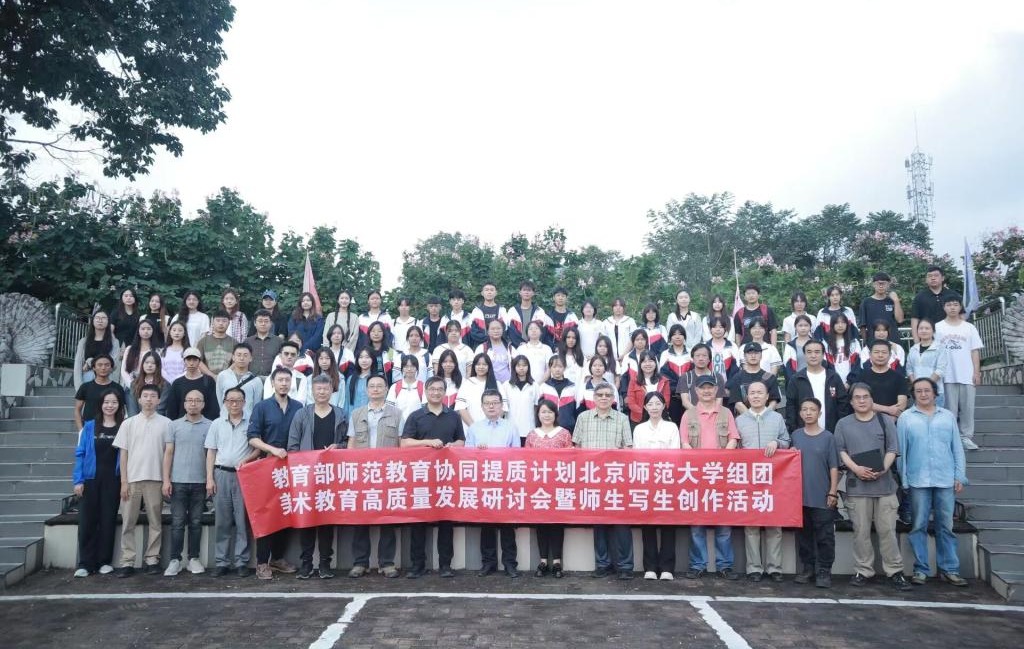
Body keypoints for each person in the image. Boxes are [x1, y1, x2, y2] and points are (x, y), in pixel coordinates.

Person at [835, 383, 912, 591]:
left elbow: (893, 448)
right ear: (851, 402)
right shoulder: (843, 424)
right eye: (857, 397)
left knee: (887, 531)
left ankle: (894, 571)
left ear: (872, 400)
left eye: (865, 397)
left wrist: (883, 469)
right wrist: (856, 469)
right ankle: (863, 570)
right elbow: (841, 451)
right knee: (860, 532)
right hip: (857, 487)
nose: (861, 401)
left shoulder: (885, 420)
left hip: (884, 486)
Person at [899, 378, 970, 587]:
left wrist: (960, 475)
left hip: (945, 479)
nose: (923, 394)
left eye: (927, 390)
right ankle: (921, 569)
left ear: (935, 393)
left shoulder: (947, 416)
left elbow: (957, 448)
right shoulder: (906, 418)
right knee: (918, 525)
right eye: (918, 391)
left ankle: (949, 569)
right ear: (913, 394)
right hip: (918, 479)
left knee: (946, 526)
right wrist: (904, 479)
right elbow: (901, 452)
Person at [401, 376, 466, 578]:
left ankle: (445, 565)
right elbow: (405, 443)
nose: (436, 392)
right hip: (421, 476)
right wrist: (428, 442)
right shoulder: (416, 416)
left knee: (446, 521)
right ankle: (417, 565)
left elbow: (461, 441)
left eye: (440, 389)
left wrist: (453, 446)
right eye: (432, 389)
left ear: (445, 392)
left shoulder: (453, 416)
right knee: (418, 522)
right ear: (426, 392)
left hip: (446, 476)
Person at [287, 374, 348, 579]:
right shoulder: (302, 414)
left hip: (331, 476)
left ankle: (324, 564)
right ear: (312, 391)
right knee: (307, 519)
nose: (322, 392)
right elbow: (292, 445)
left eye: (325, 389)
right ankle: (306, 564)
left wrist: (338, 447)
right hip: (307, 476)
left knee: (326, 521)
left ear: (332, 391)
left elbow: (348, 443)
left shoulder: (340, 414)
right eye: (318, 389)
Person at [572, 381, 634, 580]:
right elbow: (576, 448)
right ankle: (602, 564)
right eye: (600, 395)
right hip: (592, 480)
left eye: (608, 395)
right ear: (594, 398)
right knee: (599, 524)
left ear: (614, 399)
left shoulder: (622, 419)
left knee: (622, 524)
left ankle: (625, 566)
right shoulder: (583, 418)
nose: (604, 398)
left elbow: (628, 448)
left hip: (616, 479)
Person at [681, 375, 741, 580]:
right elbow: (685, 443)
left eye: (710, 388)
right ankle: (698, 565)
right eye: (702, 388)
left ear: (716, 390)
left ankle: (725, 565)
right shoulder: (688, 414)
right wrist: (700, 465)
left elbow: (733, 439)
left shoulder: (726, 413)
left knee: (723, 525)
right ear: (696, 391)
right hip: (697, 477)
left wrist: (720, 462)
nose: (706, 391)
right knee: (697, 525)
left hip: (721, 475)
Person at [247, 367, 304, 579]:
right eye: (280, 380)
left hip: (292, 468)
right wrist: (272, 449)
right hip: (267, 467)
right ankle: (262, 562)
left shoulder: (298, 407)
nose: (284, 384)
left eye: (287, 380)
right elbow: (252, 437)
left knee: (286, 513)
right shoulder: (262, 407)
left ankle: (278, 558)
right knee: (267, 514)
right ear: (272, 383)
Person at [347, 375, 403, 578]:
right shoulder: (356, 414)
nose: (376, 389)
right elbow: (351, 444)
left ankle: (387, 563)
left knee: (387, 518)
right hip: (362, 473)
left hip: (388, 473)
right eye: (372, 386)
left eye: (380, 386)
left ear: (387, 389)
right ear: (367, 390)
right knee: (360, 518)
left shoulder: (397, 413)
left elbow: (401, 444)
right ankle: (360, 562)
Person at [735, 381, 790, 582]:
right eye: (752, 393)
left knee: (774, 524)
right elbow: (735, 448)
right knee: (751, 525)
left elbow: (787, 441)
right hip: (748, 479)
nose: (756, 396)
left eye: (760, 392)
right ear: (747, 397)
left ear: (767, 396)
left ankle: (774, 568)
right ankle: (754, 568)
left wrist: (777, 442)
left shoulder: (777, 418)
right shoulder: (739, 420)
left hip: (774, 478)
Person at [113, 384, 170, 577]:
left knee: (156, 522)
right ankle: (127, 561)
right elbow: (123, 455)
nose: (149, 399)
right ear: (139, 399)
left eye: (153, 396)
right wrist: (123, 481)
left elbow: (169, 454)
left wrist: (166, 480)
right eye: (145, 396)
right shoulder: (128, 423)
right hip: (132, 480)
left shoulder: (166, 423)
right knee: (128, 522)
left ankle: (152, 559)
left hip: (156, 479)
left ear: (159, 400)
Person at [466, 389, 521, 577]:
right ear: (481, 407)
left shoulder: (511, 427)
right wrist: (477, 451)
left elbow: (517, 455)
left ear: (501, 406)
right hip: (484, 483)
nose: (491, 406)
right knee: (487, 525)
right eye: (487, 403)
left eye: (495, 403)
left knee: (507, 525)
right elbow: (467, 457)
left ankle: (510, 564)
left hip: (505, 482)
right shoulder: (474, 428)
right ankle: (488, 563)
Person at [205, 386, 258, 578]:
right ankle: (222, 562)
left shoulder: (251, 423)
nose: (234, 404)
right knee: (222, 520)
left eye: (238, 400)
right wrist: (209, 478)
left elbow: (258, 448)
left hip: (243, 475)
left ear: (244, 402)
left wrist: (247, 460)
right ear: (225, 402)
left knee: (243, 521)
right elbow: (211, 451)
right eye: (230, 400)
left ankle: (242, 561)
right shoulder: (217, 424)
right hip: (221, 474)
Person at [72, 389, 125, 577]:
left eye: (114, 402)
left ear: (119, 405)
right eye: (106, 402)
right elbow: (80, 453)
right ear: (101, 404)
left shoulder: (123, 427)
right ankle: (85, 563)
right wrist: (78, 480)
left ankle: (104, 561)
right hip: (90, 480)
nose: (110, 406)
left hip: (113, 480)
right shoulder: (89, 427)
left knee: (107, 520)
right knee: (87, 521)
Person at [161, 389, 212, 576]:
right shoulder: (174, 425)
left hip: (200, 482)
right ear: (184, 404)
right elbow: (168, 453)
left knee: (196, 522)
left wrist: (209, 479)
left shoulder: (210, 425)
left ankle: (193, 559)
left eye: (197, 400)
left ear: (203, 404)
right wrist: (166, 479)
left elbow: (211, 454)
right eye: (189, 400)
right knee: (177, 522)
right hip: (178, 481)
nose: (193, 403)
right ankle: (175, 560)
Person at [790, 397, 840, 588]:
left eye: (812, 409)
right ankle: (808, 568)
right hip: (799, 497)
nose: (808, 413)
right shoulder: (795, 436)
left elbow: (834, 466)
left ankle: (824, 571)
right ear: (800, 413)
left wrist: (833, 491)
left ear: (819, 413)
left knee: (825, 536)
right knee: (804, 536)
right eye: (805, 409)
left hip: (822, 495)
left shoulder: (828, 437)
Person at [632, 392, 679, 580]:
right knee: (648, 525)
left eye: (657, 403)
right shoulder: (639, 429)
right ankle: (650, 567)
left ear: (664, 406)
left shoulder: (671, 427)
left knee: (668, 524)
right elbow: (637, 455)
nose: (654, 407)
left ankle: (667, 567)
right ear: (645, 407)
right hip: (646, 481)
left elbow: (675, 454)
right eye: (650, 404)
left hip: (667, 480)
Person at [526, 399, 572, 578]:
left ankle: (557, 561)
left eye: (550, 412)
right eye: (543, 412)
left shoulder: (564, 434)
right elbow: (526, 460)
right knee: (541, 523)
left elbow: (571, 459)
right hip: (538, 486)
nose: (546, 415)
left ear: (555, 414)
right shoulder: (532, 435)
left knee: (557, 523)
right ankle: (543, 560)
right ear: (538, 414)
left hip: (559, 484)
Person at [935, 296, 984, 450]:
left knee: (968, 409)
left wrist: (976, 372)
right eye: (949, 305)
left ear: (960, 307)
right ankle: (950, 438)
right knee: (949, 410)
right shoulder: (938, 327)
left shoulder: (969, 327)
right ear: (944, 307)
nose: (952, 307)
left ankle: (966, 437)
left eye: (955, 304)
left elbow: (975, 351)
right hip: (946, 375)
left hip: (967, 374)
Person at [785, 340, 850, 434]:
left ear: (823, 355)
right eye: (809, 352)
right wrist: (794, 431)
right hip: (804, 434)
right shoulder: (796, 379)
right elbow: (791, 407)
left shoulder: (833, 377)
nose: (813, 355)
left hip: (831, 432)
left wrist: (840, 429)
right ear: (804, 355)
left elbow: (843, 404)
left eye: (817, 352)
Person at [163, 347, 219, 421]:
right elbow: (172, 409)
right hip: (182, 424)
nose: (191, 363)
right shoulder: (177, 383)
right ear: (184, 361)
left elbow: (213, 407)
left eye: (195, 360)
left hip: (204, 424)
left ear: (199, 362)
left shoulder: (208, 381)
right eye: (188, 360)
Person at [725, 344, 782, 415]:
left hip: (767, 417)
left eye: (756, 353)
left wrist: (763, 416)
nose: (753, 356)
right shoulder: (737, 378)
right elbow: (737, 404)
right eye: (749, 353)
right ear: (744, 356)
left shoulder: (770, 378)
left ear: (761, 356)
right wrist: (753, 417)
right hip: (745, 418)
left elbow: (774, 402)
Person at [74, 354, 125, 431]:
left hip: (112, 429)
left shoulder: (118, 388)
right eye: (100, 365)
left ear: (111, 368)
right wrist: (81, 429)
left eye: (107, 365)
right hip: (90, 428)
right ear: (94, 368)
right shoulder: (85, 387)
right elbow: (77, 410)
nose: (103, 368)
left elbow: (122, 410)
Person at [860, 340, 908, 420]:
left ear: (890, 355)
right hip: (867, 421)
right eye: (876, 352)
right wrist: (888, 409)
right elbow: (862, 402)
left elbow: (902, 403)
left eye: (884, 352)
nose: (880, 355)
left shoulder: (899, 377)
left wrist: (892, 419)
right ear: (870, 355)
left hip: (893, 420)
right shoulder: (861, 377)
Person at [456, 353, 508, 428]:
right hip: (471, 429)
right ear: (474, 366)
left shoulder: (497, 384)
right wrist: (474, 427)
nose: (481, 367)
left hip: (493, 429)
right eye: (478, 364)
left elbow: (503, 408)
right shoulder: (467, 384)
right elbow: (461, 408)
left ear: (489, 366)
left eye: (484, 364)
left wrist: (492, 425)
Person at [74, 308, 121, 390]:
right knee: (89, 375)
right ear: (93, 321)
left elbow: (114, 364)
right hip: (88, 378)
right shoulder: (84, 341)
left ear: (108, 322)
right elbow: (78, 365)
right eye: (97, 318)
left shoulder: (114, 342)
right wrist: (79, 387)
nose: (100, 320)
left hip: (107, 378)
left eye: (103, 318)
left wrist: (90, 361)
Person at [910, 265, 960, 343]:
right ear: (926, 280)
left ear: (942, 278)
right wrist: (916, 342)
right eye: (930, 276)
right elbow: (914, 320)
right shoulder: (919, 297)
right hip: (927, 338)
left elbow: (961, 315)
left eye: (936, 275)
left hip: (951, 336)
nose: (933, 278)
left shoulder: (953, 295)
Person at [906, 319, 949, 408]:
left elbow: (940, 370)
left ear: (933, 331)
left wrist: (926, 386)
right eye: (921, 328)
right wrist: (916, 386)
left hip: (935, 392)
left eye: (927, 328)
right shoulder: (913, 349)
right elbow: (909, 369)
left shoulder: (940, 348)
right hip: (918, 393)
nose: (924, 331)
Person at [216, 343, 263, 418]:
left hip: (247, 420)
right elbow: (220, 399)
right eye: (239, 355)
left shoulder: (256, 381)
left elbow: (256, 405)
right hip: (225, 419)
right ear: (233, 357)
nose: (242, 358)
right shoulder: (222, 376)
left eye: (245, 355)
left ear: (251, 358)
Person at [677, 343, 726, 414]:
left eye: (704, 356)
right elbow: (685, 402)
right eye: (697, 356)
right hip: (692, 415)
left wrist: (709, 414)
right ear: (692, 359)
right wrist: (700, 414)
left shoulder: (717, 377)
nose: (701, 359)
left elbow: (719, 401)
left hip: (713, 415)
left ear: (709, 359)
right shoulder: (686, 377)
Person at [626, 351, 670, 428]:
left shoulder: (664, 381)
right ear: (640, 364)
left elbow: (666, 402)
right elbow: (631, 402)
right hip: (638, 420)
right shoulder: (633, 381)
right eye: (644, 361)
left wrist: (654, 413)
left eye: (650, 361)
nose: (648, 364)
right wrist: (646, 413)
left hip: (659, 419)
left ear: (655, 363)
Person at [121, 320, 157, 410]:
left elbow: (159, 369)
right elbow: (124, 370)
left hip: (150, 388)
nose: (146, 331)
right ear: (138, 330)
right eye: (143, 329)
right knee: (132, 414)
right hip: (132, 387)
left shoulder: (157, 350)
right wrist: (132, 385)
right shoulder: (129, 349)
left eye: (149, 329)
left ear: (153, 331)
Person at [858, 272, 904, 344]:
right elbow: (862, 326)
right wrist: (866, 342)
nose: (881, 286)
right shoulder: (866, 302)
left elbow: (900, 320)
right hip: (873, 343)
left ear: (888, 285)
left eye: (884, 283)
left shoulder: (892, 301)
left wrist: (896, 301)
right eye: (878, 283)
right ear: (873, 284)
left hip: (893, 342)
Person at [386, 354, 426, 431]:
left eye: (412, 366)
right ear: (402, 369)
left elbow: (425, 410)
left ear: (417, 368)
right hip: (397, 428)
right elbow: (389, 409)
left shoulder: (423, 386)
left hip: (418, 428)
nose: (409, 369)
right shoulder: (394, 387)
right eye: (406, 366)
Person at [538, 355, 577, 431]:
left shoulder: (572, 387)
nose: (557, 369)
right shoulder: (544, 387)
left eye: (560, 366)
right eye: (554, 367)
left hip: (568, 427)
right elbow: (540, 409)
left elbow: (576, 409)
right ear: (550, 368)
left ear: (564, 368)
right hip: (549, 427)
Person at [506, 355, 540, 445]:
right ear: (514, 367)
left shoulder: (534, 385)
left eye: (524, 365)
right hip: (511, 429)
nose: (521, 368)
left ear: (528, 367)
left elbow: (536, 407)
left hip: (529, 429)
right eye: (518, 365)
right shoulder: (507, 385)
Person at [822, 313, 862, 386]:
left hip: (851, 383)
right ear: (832, 325)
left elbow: (857, 365)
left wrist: (849, 382)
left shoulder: (854, 342)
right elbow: (825, 365)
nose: (840, 325)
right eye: (837, 323)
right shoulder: (825, 344)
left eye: (843, 322)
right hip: (832, 383)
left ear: (847, 324)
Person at [506, 280, 547, 349]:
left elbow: (543, 331)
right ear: (520, 292)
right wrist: (520, 344)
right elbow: (511, 331)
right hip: (517, 347)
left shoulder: (540, 311)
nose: (526, 292)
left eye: (529, 290)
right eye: (524, 290)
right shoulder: (512, 311)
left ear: (533, 293)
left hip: (535, 347)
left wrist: (532, 343)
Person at [196, 310, 235, 379]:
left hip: (228, 379)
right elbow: (198, 361)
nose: (221, 323)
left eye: (224, 321)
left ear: (229, 323)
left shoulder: (234, 342)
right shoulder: (203, 341)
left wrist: (224, 375)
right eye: (218, 320)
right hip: (206, 379)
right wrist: (213, 376)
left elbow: (236, 362)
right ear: (212, 323)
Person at [246, 309, 284, 378]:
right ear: (255, 323)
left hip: (272, 378)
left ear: (271, 323)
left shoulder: (279, 341)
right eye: (260, 321)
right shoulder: (247, 341)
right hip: (251, 378)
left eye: (266, 321)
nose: (263, 324)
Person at [127, 351, 167, 417]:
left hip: (157, 419)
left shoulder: (164, 385)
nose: (149, 365)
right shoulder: (134, 383)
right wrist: (137, 420)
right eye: (147, 362)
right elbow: (132, 408)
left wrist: (150, 419)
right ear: (142, 364)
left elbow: (161, 408)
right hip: (137, 420)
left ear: (158, 366)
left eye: (153, 363)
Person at [469, 281, 508, 348]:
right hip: (480, 346)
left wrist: (495, 339)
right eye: (486, 290)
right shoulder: (476, 311)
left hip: (499, 345)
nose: (489, 292)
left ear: (496, 293)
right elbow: (473, 332)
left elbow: (505, 329)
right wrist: (489, 339)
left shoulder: (502, 310)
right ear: (482, 293)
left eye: (492, 290)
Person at [475, 318, 514, 383]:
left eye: (498, 328)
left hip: (508, 384)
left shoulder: (510, 348)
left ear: (503, 330)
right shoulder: (481, 348)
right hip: (489, 384)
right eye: (492, 329)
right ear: (487, 331)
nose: (496, 331)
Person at [602, 297, 637, 367]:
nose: (618, 308)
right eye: (615, 305)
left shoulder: (630, 321)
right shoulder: (606, 322)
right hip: (610, 358)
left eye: (620, 305)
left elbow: (633, 339)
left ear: (624, 308)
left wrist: (624, 355)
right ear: (612, 308)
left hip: (628, 357)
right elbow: (603, 341)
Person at [782, 314, 815, 382]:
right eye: (800, 325)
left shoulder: (817, 344)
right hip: (796, 381)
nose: (803, 328)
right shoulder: (790, 346)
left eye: (806, 325)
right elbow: (787, 367)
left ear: (810, 327)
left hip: (814, 380)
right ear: (795, 327)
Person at [364, 321, 397, 385]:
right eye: (373, 331)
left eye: (379, 331)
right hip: (368, 385)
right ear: (369, 333)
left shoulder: (390, 352)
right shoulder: (364, 351)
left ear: (384, 333)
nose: (376, 334)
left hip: (387, 385)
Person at [705, 315, 738, 380]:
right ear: (710, 329)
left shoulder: (732, 346)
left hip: (729, 382)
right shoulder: (705, 346)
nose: (718, 329)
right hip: (708, 383)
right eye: (715, 327)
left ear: (725, 329)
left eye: (721, 327)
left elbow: (737, 366)